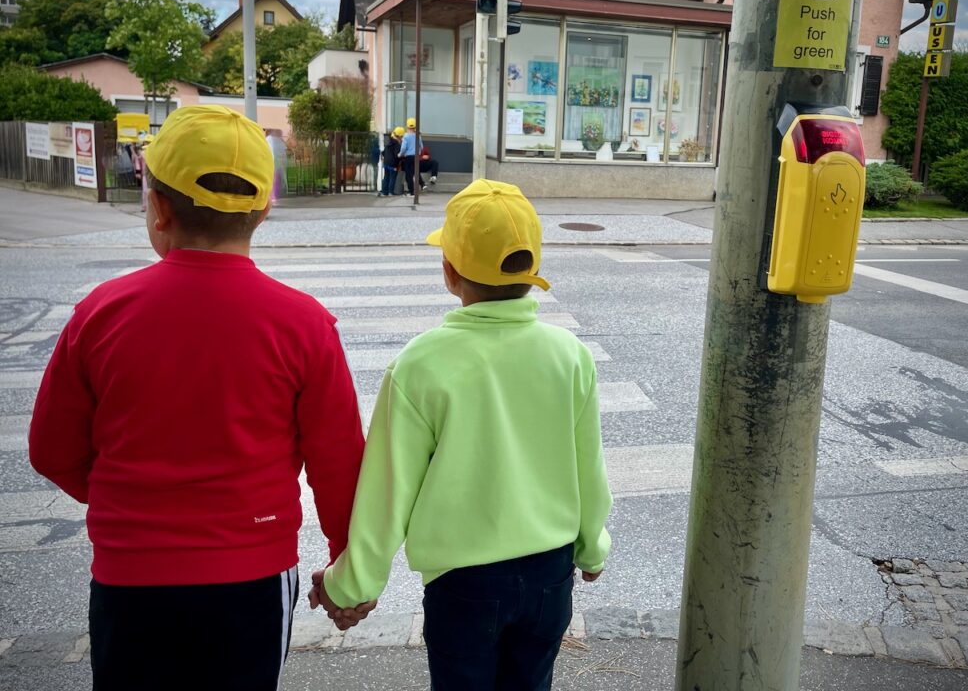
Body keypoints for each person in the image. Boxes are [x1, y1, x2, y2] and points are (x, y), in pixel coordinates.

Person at [29, 104, 366, 691]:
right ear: (264, 210)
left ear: (158, 208)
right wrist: (346, 567)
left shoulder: (102, 313)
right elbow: (339, 465)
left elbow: (51, 450)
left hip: (129, 577)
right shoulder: (304, 325)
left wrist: (126, 500)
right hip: (252, 577)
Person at [311, 179, 613, 691]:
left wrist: (351, 585)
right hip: (550, 576)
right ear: (533, 269)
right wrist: (592, 548)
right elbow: (588, 467)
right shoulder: (569, 355)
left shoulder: (421, 364)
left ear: (450, 272)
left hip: (464, 586)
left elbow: (387, 493)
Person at [379, 126, 403, 197]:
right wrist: (400, 159)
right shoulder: (397, 144)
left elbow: (383, 152)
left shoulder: (388, 142)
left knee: (386, 177)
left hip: (386, 162)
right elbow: (397, 155)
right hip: (393, 164)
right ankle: (390, 192)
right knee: (392, 178)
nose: (401, 139)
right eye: (401, 137)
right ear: (399, 136)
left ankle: (384, 192)